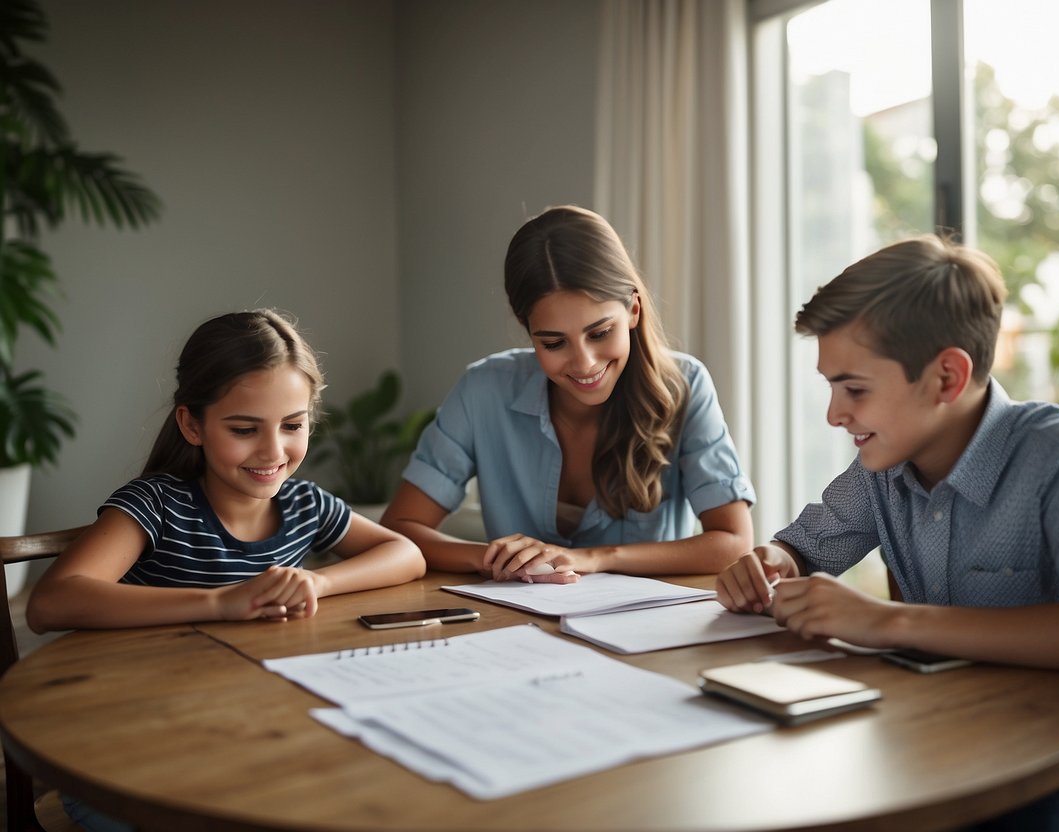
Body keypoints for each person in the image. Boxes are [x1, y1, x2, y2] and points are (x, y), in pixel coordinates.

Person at [715, 235, 1059, 831]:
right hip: (930, 759)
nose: (834, 414)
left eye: (854, 389)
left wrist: (890, 621)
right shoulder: (884, 465)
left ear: (946, 377)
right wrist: (769, 562)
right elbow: (802, 548)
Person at [381, 205, 755, 583]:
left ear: (633, 310)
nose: (584, 363)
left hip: (648, 633)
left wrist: (593, 557)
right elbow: (401, 527)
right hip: (513, 628)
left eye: (599, 333)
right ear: (529, 332)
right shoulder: (483, 390)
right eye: (554, 343)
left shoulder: (686, 385)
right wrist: (504, 558)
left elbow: (734, 542)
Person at [27, 309, 426, 634]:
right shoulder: (155, 506)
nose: (273, 452)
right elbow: (50, 603)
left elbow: (406, 554)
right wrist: (221, 601)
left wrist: (320, 582)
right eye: (244, 430)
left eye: (292, 425)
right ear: (192, 426)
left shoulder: (305, 505)